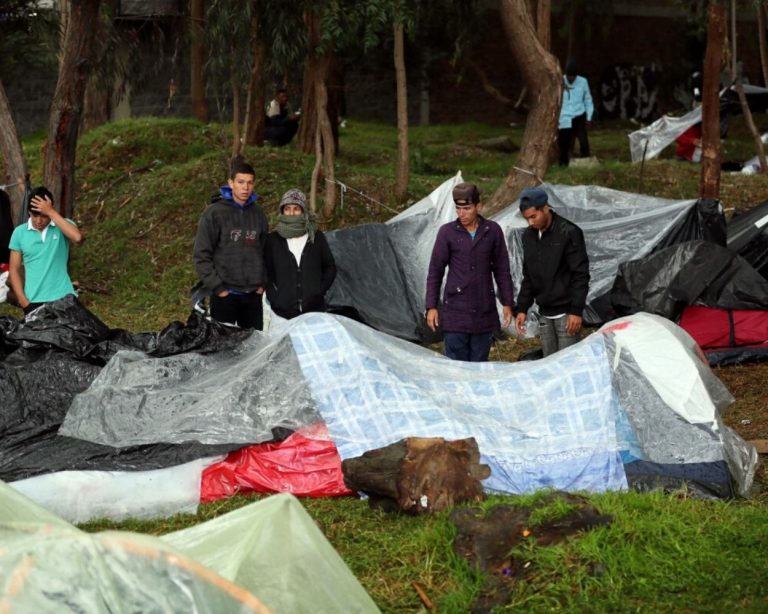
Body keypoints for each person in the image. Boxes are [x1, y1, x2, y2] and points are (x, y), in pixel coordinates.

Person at [425, 182, 515, 362]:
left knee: (479, 364)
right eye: (458, 208)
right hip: (456, 310)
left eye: (466, 208)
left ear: (478, 206)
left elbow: (502, 269)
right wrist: (431, 307)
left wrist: (507, 302)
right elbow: (435, 271)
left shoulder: (492, 231)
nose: (461, 213)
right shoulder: (447, 233)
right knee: (456, 366)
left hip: (484, 309)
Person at [514, 187, 590, 357]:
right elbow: (529, 274)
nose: (531, 223)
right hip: (544, 312)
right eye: (527, 219)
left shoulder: (569, 232)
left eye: (534, 216)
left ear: (546, 208)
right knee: (549, 362)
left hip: (566, 312)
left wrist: (576, 310)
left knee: (567, 362)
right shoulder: (528, 236)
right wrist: (522, 308)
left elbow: (580, 274)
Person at [193, 159, 268, 329]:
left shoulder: (258, 214)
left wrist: (263, 283)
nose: (245, 187)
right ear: (231, 183)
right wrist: (218, 288)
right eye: (240, 182)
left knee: (252, 348)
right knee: (224, 349)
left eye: (249, 183)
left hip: (253, 294)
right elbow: (201, 254)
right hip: (225, 294)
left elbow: (265, 251)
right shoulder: (214, 213)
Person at [7, 186, 83, 315]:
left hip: (64, 298)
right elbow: (14, 269)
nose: (38, 221)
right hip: (33, 301)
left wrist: (51, 212)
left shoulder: (63, 225)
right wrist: (24, 302)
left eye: (43, 216)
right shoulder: (19, 233)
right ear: (29, 212)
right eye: (34, 215)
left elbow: (78, 238)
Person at [264, 188, 336, 319]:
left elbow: (330, 266)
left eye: (296, 208)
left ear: (303, 211)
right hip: (282, 312)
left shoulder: (315, 237)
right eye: (287, 208)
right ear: (282, 211)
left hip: (314, 310)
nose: (291, 213)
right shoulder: (273, 240)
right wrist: (274, 296)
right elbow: (266, 272)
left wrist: (319, 291)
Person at [558, 61, 594, 166]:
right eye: (569, 77)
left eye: (573, 77)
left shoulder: (583, 82)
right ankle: (563, 164)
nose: (571, 79)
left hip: (579, 115)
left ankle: (586, 162)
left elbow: (588, 100)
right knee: (564, 142)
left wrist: (589, 117)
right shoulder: (560, 81)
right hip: (564, 117)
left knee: (583, 141)